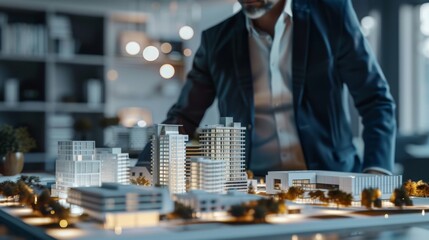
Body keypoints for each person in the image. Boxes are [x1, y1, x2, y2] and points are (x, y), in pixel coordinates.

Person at [137, 0, 396, 177]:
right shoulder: (216, 41)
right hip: (253, 188)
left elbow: (376, 101)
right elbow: (184, 116)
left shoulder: (332, 16)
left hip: (331, 179)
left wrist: (376, 172)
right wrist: (146, 167)